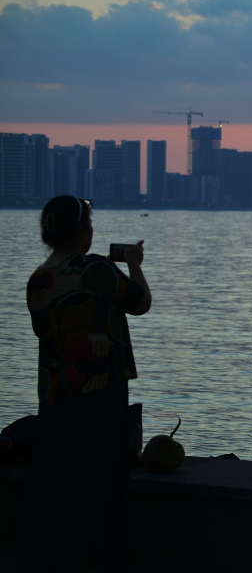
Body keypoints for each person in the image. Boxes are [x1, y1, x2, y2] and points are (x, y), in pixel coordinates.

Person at [18, 195, 151, 573]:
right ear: (79, 232)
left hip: (57, 394)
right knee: (98, 484)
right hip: (99, 392)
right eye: (89, 225)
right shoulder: (95, 268)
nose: (91, 231)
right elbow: (140, 303)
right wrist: (135, 265)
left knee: (57, 484)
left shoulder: (38, 281)